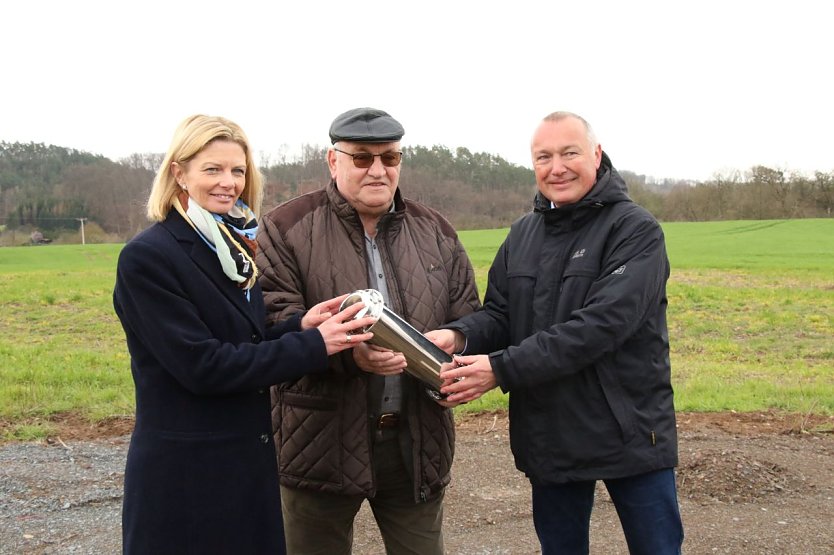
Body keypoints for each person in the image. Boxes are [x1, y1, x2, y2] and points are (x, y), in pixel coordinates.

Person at [112, 114, 376, 554]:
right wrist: (314, 344)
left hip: (244, 465)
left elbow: (247, 341)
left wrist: (299, 325)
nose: (228, 182)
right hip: (186, 476)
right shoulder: (148, 258)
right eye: (212, 169)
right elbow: (204, 366)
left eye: (237, 170)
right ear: (179, 172)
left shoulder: (231, 248)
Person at [430, 112, 684, 554]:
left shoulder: (635, 229)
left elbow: (600, 327)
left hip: (628, 431)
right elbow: (500, 316)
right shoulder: (523, 234)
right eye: (543, 157)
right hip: (550, 433)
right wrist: (458, 337)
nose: (557, 167)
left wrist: (500, 369)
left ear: (596, 155)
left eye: (569, 153)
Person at [256, 107, 480, 554]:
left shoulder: (435, 230)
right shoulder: (284, 228)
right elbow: (273, 326)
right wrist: (348, 356)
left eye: (390, 158)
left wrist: (456, 337)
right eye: (361, 158)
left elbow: (471, 313)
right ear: (332, 160)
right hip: (319, 442)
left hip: (416, 442)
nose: (377, 170)